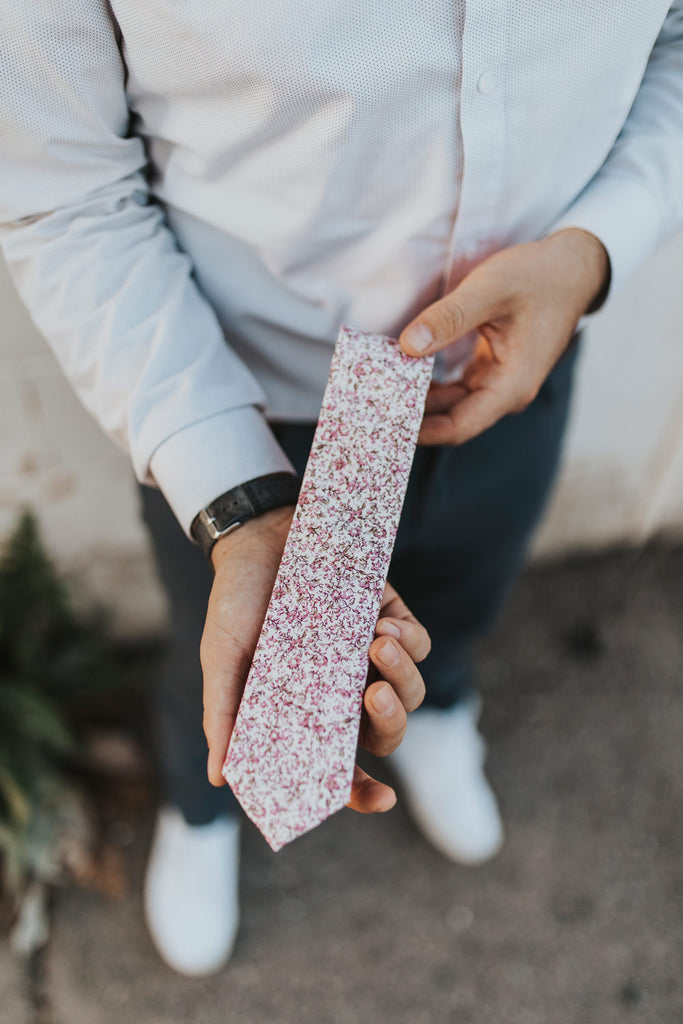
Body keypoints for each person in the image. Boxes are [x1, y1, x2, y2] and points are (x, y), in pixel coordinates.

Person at [1, 1, 682, 978]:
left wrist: (597, 246)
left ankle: (440, 706)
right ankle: (206, 803)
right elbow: (59, 187)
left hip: (515, 362)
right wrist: (234, 495)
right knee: (221, 644)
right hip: (235, 401)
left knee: (469, 573)